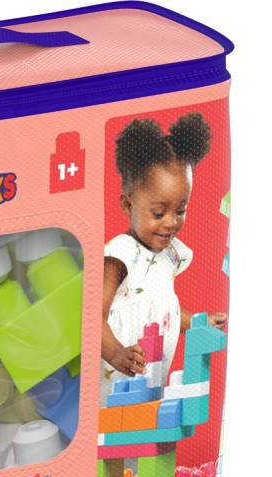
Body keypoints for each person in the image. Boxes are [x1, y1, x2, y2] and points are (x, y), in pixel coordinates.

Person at [101, 113, 227, 405]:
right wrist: (116, 353)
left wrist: (196, 322)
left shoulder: (170, 255)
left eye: (180, 210)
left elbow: (161, 307)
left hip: (151, 375)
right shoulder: (120, 254)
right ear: (128, 204)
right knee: (114, 425)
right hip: (114, 377)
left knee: (144, 424)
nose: (170, 222)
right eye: (158, 213)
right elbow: (93, 316)